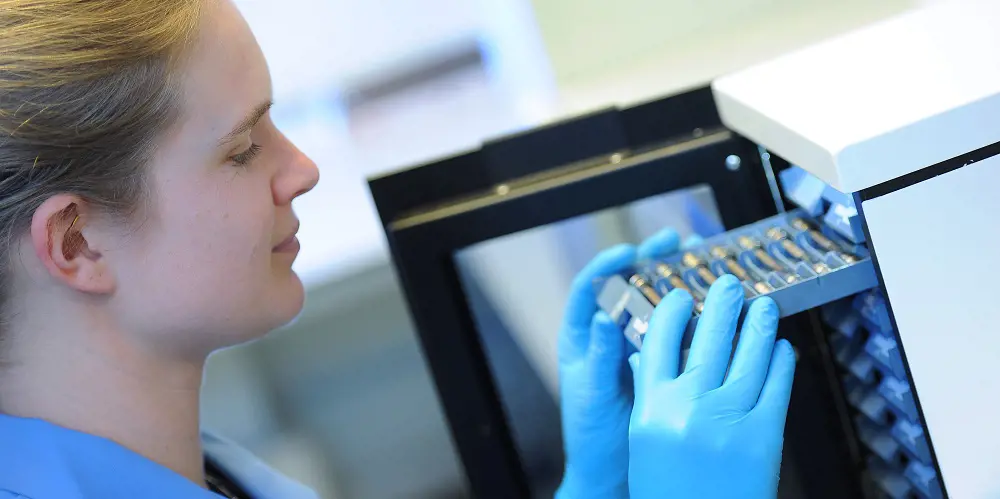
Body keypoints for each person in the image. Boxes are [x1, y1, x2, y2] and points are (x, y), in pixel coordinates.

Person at [0, 0, 795, 497]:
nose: (302, 170)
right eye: (244, 148)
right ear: (76, 241)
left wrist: (598, 485)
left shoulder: (195, 466)